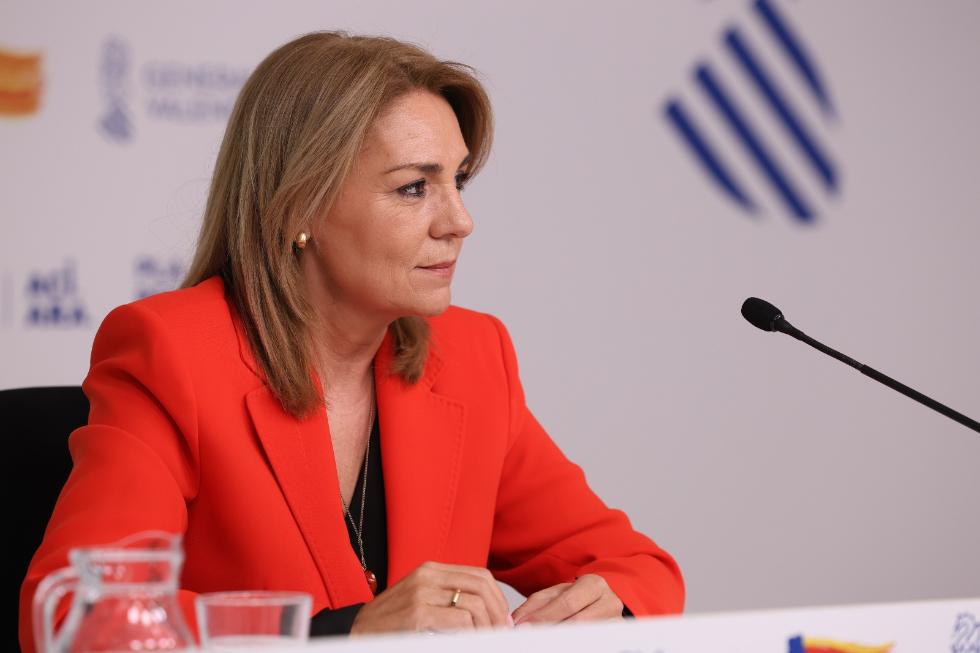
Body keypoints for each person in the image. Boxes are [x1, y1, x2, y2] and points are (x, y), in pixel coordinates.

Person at [19, 31, 683, 650]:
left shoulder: (473, 356)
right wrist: (344, 633)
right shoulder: (173, 354)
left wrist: (603, 608)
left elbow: (637, 568)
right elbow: (80, 614)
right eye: (414, 187)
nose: (459, 221)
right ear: (300, 205)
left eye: (457, 181)